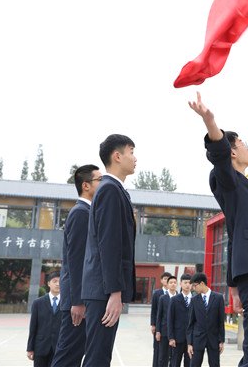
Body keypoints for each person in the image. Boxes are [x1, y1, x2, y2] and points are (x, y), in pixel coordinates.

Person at [188, 92, 248, 366]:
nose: (247, 147)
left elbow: (234, 235)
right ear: (232, 151)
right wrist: (210, 121)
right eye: (242, 142)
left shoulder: (246, 187)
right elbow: (218, 155)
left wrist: (231, 284)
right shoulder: (227, 182)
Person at [81, 134, 137, 367]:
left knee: (100, 356)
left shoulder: (115, 189)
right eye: (131, 152)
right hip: (104, 291)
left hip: (104, 289)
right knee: (97, 357)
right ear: (117, 156)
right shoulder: (110, 189)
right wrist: (115, 292)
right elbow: (109, 244)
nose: (135, 158)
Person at [51, 164, 102, 367]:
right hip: (77, 303)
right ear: (86, 185)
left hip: (79, 300)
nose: (103, 183)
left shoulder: (87, 212)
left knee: (73, 355)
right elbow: (76, 261)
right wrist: (79, 302)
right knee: (67, 357)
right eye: (99, 180)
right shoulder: (81, 213)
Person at [187, 272, 225, 367]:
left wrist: (221, 340)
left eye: (195, 286)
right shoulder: (194, 300)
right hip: (198, 338)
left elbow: (221, 321)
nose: (193, 288)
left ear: (202, 284)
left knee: (215, 364)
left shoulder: (218, 298)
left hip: (213, 338)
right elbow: (190, 323)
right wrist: (189, 343)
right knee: (194, 365)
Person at [26, 271, 62, 367]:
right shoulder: (38, 303)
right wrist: (30, 348)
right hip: (40, 348)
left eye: (61, 281)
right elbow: (33, 327)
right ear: (48, 283)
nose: (58, 284)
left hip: (60, 348)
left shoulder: (68, 304)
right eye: (55, 281)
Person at [168, 273, 193, 367]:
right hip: (177, 339)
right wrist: (171, 337)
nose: (187, 285)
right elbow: (170, 319)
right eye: (185, 282)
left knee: (189, 363)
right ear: (180, 284)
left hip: (191, 340)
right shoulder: (174, 300)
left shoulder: (196, 299)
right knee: (175, 363)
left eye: (189, 283)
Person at [151, 271, 173, 367]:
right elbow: (154, 310)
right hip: (159, 326)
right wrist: (153, 324)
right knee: (157, 349)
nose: (167, 281)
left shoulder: (175, 294)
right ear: (161, 281)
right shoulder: (157, 293)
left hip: (171, 328)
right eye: (165, 279)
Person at [156, 275, 178, 367]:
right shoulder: (163, 298)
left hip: (177, 331)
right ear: (167, 285)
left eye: (175, 282)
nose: (173, 284)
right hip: (164, 330)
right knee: (163, 356)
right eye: (171, 283)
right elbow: (159, 315)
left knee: (175, 357)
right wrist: (158, 331)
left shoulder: (179, 297)